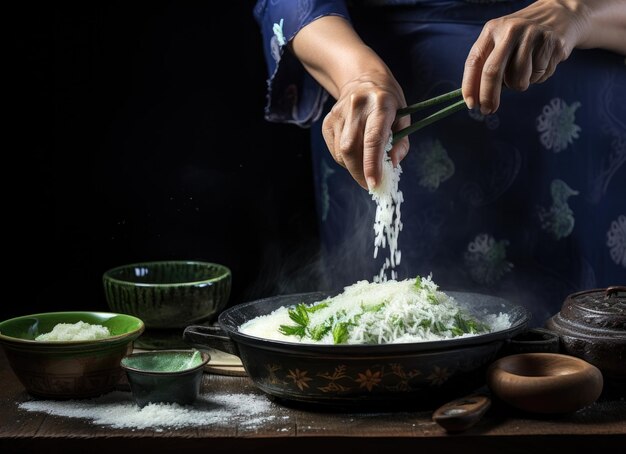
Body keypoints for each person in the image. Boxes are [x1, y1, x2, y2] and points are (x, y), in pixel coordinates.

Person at [252, 0, 626, 325]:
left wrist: (577, 9)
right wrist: (357, 75)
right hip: (383, 106)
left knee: (594, 333)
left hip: (581, 117)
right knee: (388, 330)